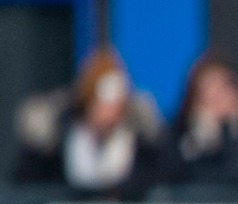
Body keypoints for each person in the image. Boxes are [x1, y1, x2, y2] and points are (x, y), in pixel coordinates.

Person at [12, 49, 164, 196]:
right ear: (87, 104)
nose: (108, 114)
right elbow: (28, 183)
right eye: (100, 105)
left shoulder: (141, 146)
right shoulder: (59, 142)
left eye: (115, 107)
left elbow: (164, 177)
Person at [163, 54, 238, 190]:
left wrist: (233, 130)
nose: (218, 98)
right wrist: (203, 138)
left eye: (224, 88)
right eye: (209, 89)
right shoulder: (177, 139)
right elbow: (179, 179)